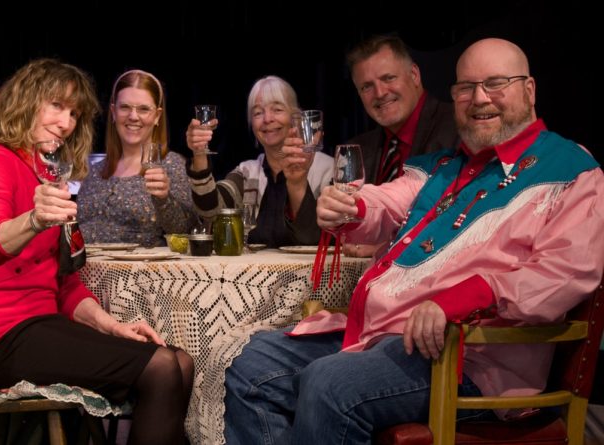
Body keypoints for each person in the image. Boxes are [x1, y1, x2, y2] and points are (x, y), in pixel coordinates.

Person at [223, 38, 604, 444]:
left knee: (329, 382)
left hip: (469, 357)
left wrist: (465, 297)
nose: (479, 98)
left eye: (496, 83)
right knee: (252, 365)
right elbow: (386, 201)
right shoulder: (442, 167)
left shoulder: (570, 169)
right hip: (385, 336)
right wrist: (351, 208)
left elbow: (566, 272)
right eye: (465, 88)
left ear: (528, 90)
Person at [0, 59, 193, 444]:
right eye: (56, 106)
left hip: (38, 326)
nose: (66, 123)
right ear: (26, 102)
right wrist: (34, 219)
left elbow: (65, 284)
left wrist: (113, 326)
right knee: (162, 366)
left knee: (180, 360)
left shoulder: (41, 173)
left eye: (74, 114)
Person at [343, 35, 459, 257]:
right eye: (367, 86)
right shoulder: (356, 149)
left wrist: (384, 246)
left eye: (388, 78)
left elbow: (459, 217)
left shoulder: (458, 128)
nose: (380, 93)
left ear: (414, 75)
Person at [186, 75, 332, 247]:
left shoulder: (326, 170)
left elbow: (328, 237)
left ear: (296, 117)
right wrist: (199, 153)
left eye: (277, 109)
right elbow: (211, 210)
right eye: (257, 113)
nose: (267, 119)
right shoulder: (247, 173)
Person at [77, 69, 195, 247]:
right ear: (113, 112)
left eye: (143, 109)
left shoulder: (171, 165)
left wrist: (164, 200)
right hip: (84, 272)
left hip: (141, 273)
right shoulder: (95, 171)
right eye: (125, 107)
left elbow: (186, 231)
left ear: (157, 116)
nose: (133, 116)